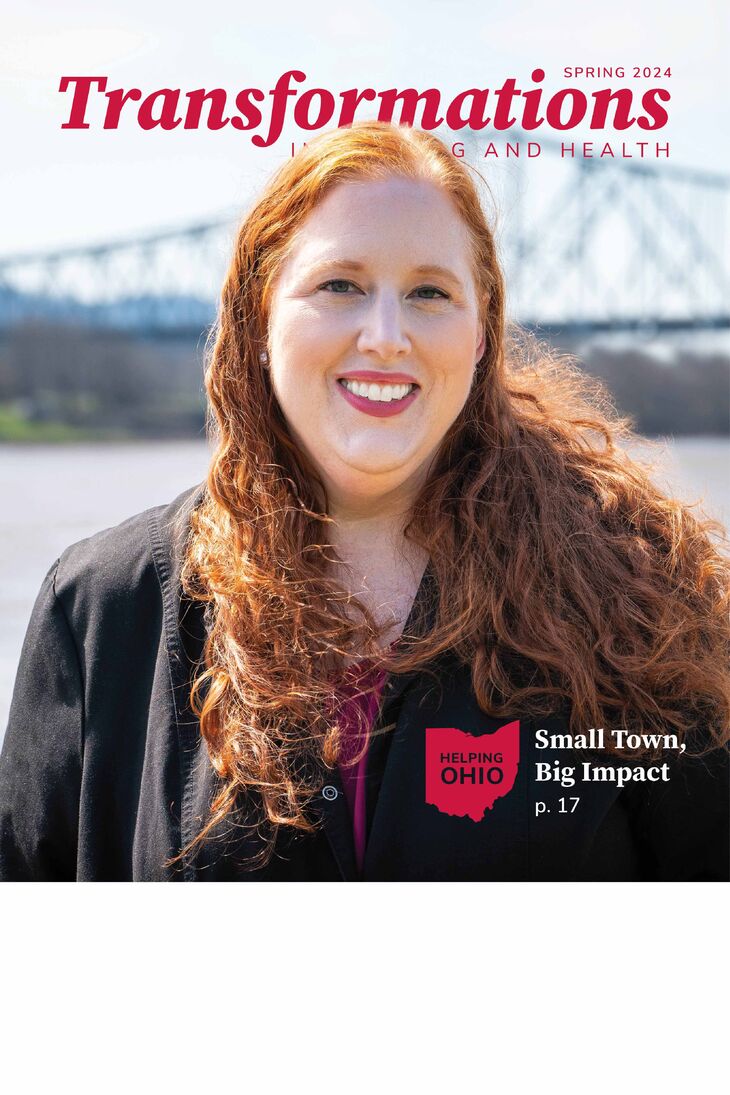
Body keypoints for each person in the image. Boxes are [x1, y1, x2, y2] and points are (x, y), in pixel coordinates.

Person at [1, 121, 728, 882]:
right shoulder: (98, 611)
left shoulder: (642, 604)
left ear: (480, 335)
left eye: (429, 293)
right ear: (259, 316)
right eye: (339, 285)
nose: (386, 335)